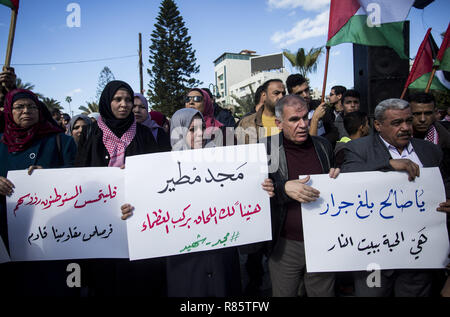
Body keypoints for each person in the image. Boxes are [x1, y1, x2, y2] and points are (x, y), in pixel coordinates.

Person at [121, 108, 254, 296]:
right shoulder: (162, 169)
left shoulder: (222, 161)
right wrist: (133, 197)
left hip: (220, 252)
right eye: (192, 130)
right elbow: (150, 207)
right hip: (184, 257)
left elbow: (241, 191)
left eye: (202, 128)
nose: (200, 134)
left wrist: (259, 186)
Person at [341, 98, 450, 297]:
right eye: (397, 123)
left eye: (408, 121)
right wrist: (388, 164)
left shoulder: (430, 150)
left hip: (418, 255)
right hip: (373, 257)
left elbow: (445, 183)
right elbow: (348, 176)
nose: (406, 127)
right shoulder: (359, 149)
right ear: (378, 125)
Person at [74, 80, 166, 296]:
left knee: (137, 278)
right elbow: (79, 173)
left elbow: (157, 172)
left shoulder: (144, 134)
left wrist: (135, 172)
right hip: (101, 218)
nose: (125, 105)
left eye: (128, 100)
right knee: (105, 278)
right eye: (118, 99)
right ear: (107, 102)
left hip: (137, 215)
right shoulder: (91, 134)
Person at [0, 89, 77, 296]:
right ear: (9, 111)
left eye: (32, 106)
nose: (26, 111)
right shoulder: (1, 143)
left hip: (56, 231)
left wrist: (52, 177)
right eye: (19, 107)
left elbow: (79, 176)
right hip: (9, 234)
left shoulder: (61, 141)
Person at [262, 94, 339, 297]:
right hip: (285, 245)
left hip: (324, 242)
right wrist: (283, 188)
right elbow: (254, 192)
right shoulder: (265, 149)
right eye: (295, 120)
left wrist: (337, 177)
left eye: (306, 117)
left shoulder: (323, 146)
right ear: (279, 123)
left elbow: (335, 187)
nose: (303, 124)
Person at [286, 74, 339, 147]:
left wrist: (322, 144)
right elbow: (305, 146)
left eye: (306, 90)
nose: (305, 95)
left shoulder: (319, 105)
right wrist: (315, 119)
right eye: (299, 93)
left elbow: (334, 133)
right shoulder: (290, 115)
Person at [237, 79, 286, 144]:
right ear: (264, 95)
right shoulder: (246, 123)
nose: (281, 96)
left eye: (283, 93)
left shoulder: (293, 120)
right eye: (276, 93)